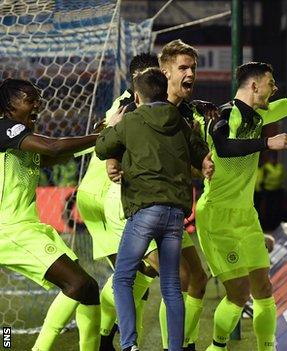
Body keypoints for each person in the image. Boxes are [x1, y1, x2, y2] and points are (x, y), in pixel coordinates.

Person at [195, 48, 287, 351]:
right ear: (254, 85)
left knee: (264, 289)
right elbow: (225, 147)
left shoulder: (261, 116)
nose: (275, 88)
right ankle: (216, 347)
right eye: (270, 83)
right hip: (217, 216)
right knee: (239, 293)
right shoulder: (225, 113)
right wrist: (268, 141)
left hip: (247, 216)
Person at [95, 68, 213, 351]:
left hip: (144, 212)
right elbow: (201, 154)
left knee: (123, 278)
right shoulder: (180, 121)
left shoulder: (131, 121)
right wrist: (198, 139)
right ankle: (174, 348)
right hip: (174, 214)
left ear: (137, 96)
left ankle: (129, 345)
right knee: (172, 286)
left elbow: (101, 148)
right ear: (164, 91)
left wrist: (112, 124)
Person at [0, 79, 101, 350]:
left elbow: (53, 157)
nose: (37, 105)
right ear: (9, 105)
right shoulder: (5, 128)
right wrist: (101, 137)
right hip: (10, 230)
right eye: (29, 99)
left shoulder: (19, 140)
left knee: (89, 290)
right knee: (78, 284)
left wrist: (95, 144)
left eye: (38, 100)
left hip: (27, 227)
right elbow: (54, 148)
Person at [76, 53, 161, 350]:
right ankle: (105, 337)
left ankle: (108, 341)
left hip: (98, 192)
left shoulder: (127, 102)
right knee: (142, 273)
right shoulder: (130, 108)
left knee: (135, 278)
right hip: (108, 196)